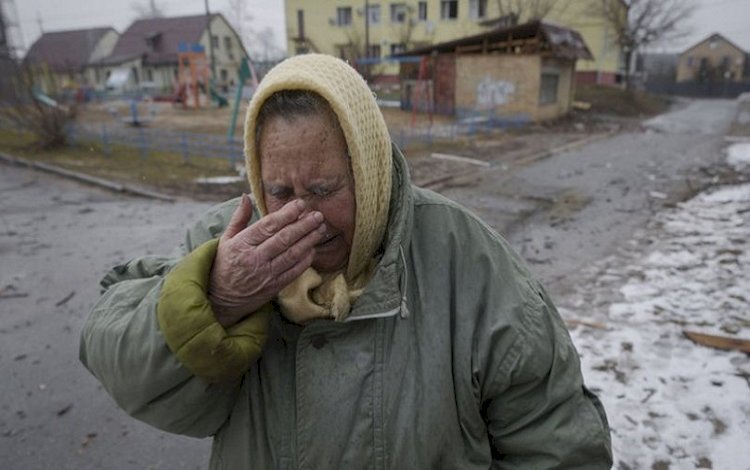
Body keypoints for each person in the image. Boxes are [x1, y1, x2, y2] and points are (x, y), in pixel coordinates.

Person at [80, 54, 612, 468]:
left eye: (324, 187)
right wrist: (215, 298)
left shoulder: (468, 262)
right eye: (278, 189)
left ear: (372, 172)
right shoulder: (229, 243)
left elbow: (559, 447)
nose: (299, 215)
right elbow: (112, 348)